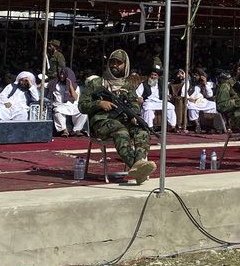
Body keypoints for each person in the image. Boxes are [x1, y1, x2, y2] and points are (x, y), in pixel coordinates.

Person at [77, 49, 156, 184]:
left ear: (125, 65)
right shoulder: (96, 83)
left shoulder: (128, 85)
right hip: (101, 123)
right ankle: (137, 167)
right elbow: (82, 105)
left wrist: (134, 115)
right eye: (112, 62)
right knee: (121, 131)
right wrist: (99, 103)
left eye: (119, 63)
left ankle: (140, 163)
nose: (114, 65)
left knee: (142, 130)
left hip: (123, 120)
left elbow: (133, 103)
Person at [47, 67, 87, 136]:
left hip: (72, 104)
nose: (62, 76)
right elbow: (45, 85)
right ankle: (64, 130)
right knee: (58, 111)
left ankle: (76, 130)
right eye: (61, 74)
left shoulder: (75, 86)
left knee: (83, 112)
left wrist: (70, 85)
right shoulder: (55, 84)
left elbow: (75, 97)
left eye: (63, 74)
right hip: (60, 105)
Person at [136, 65, 177, 131]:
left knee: (170, 106)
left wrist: (167, 96)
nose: (153, 77)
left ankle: (172, 126)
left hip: (159, 102)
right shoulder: (144, 84)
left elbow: (166, 94)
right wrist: (140, 98)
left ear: (158, 76)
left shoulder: (162, 84)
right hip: (148, 102)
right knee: (148, 108)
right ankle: (149, 127)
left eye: (155, 75)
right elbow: (137, 93)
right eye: (152, 75)